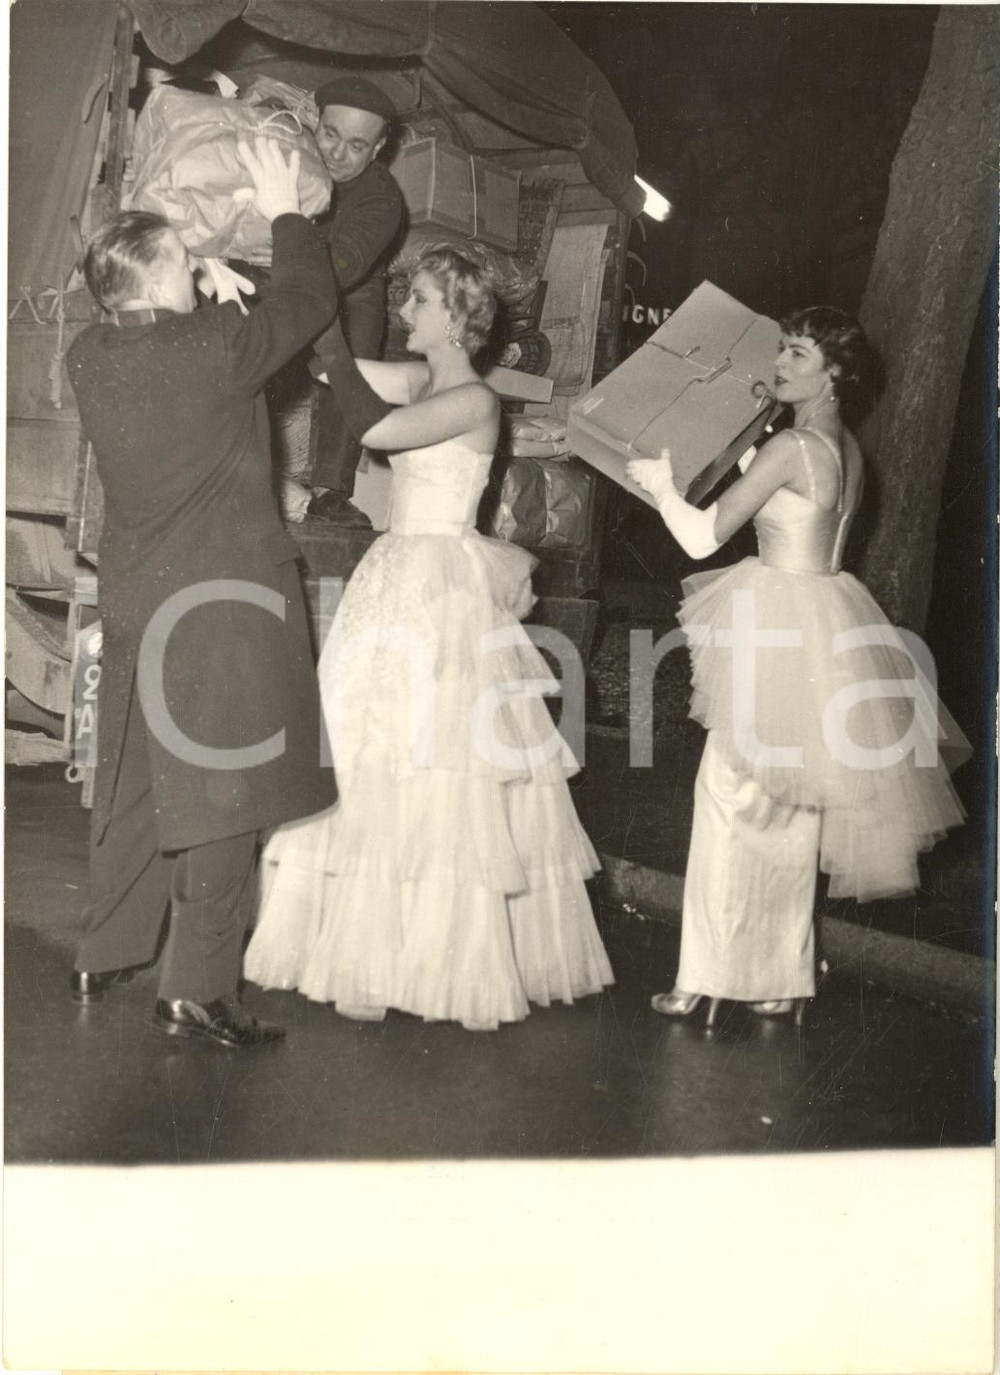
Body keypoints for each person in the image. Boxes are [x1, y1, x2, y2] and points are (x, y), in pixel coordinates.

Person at [244, 246, 614, 1030]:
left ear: (456, 317)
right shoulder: (423, 377)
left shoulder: (477, 401)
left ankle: (437, 952)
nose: (407, 312)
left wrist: (337, 349)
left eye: (417, 300)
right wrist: (294, 311)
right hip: (400, 571)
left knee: (440, 757)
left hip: (442, 581)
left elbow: (373, 420)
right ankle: (372, 938)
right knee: (370, 742)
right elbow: (334, 379)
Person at [67, 138, 339, 1049]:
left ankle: (103, 950)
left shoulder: (90, 355)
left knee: (136, 778)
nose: (202, 266)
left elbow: (186, 347)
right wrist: (284, 211)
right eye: (187, 259)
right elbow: (309, 302)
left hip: (139, 596)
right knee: (227, 790)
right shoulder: (219, 345)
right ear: (154, 277)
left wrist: (204, 289)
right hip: (221, 605)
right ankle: (196, 988)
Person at [625, 308, 968, 1027]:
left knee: (724, 793)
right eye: (782, 346)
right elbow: (803, 515)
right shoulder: (846, 450)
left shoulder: (793, 448)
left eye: (798, 350)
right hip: (827, 620)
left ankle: (706, 977)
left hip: (778, 624)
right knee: (791, 810)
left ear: (834, 371)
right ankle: (780, 978)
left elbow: (699, 538)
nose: (779, 359)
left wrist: (659, 484)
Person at [306, 76, 405, 527]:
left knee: (355, 344)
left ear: (379, 148)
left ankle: (329, 490)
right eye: (330, 134)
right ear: (314, 120)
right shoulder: (286, 149)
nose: (337, 155)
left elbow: (341, 268)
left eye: (356, 145)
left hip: (347, 285)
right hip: (273, 271)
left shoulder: (382, 198)